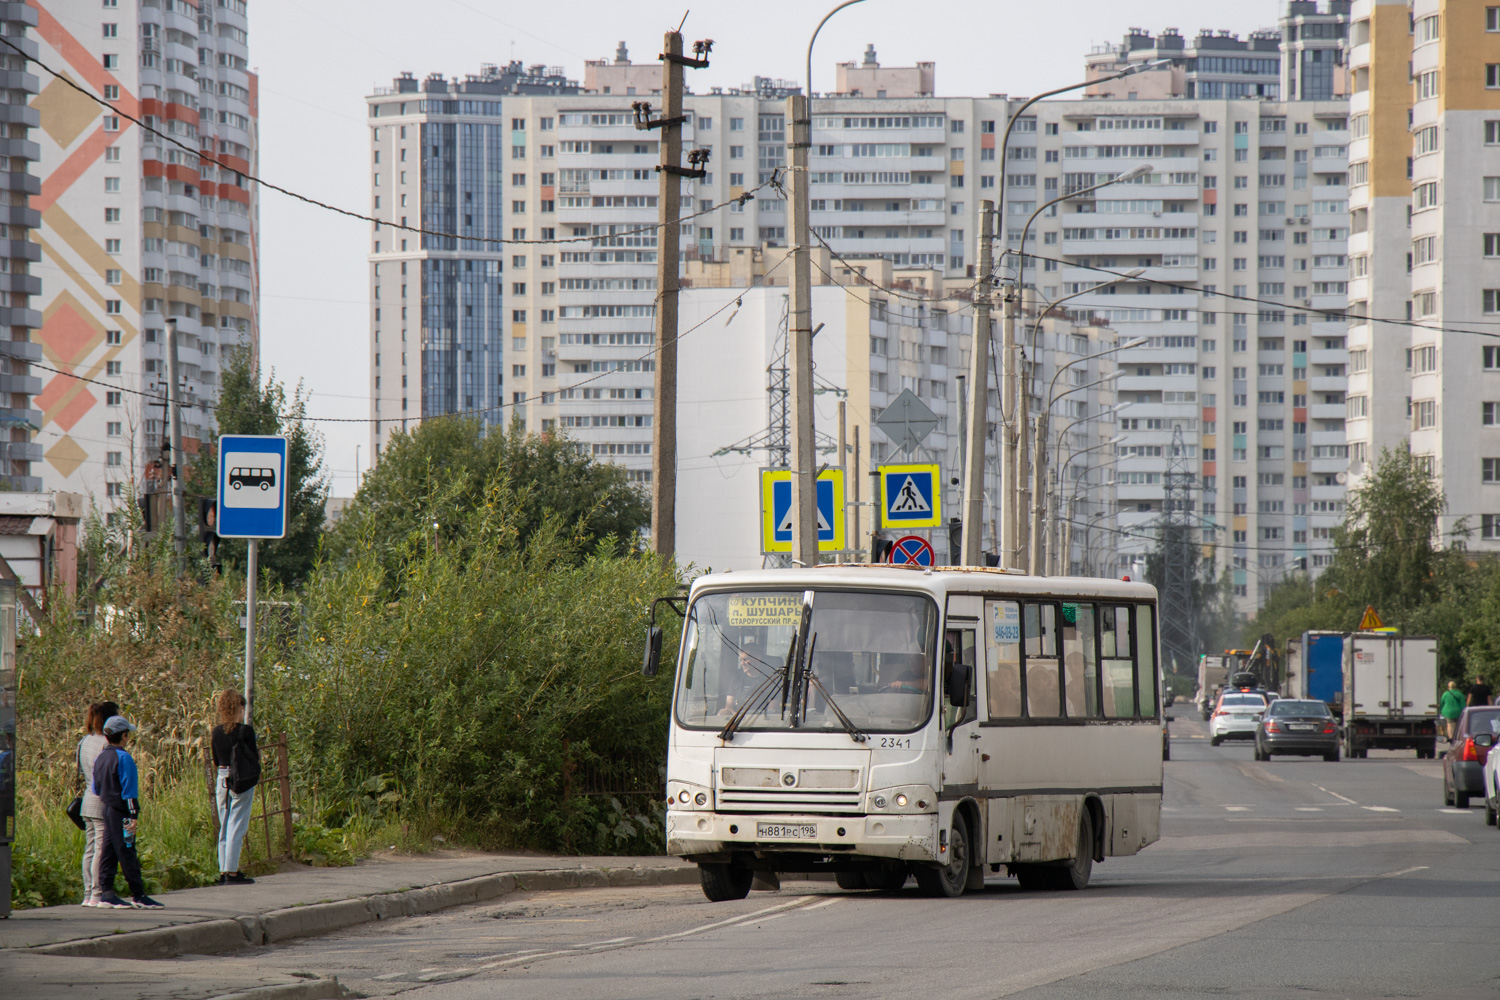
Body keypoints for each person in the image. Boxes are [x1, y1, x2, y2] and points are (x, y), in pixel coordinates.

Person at [92, 715, 162, 909]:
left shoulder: (101, 757)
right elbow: (129, 790)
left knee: (109, 851)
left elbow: (96, 788)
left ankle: (106, 892)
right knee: (128, 850)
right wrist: (133, 816)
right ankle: (138, 894)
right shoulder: (124, 758)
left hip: (106, 809)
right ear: (124, 735)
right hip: (122, 813)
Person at [211, 689, 258, 885]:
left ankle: (223, 871)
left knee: (225, 824)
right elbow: (254, 757)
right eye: (242, 707)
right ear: (238, 707)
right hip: (242, 779)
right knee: (236, 825)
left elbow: (215, 759)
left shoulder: (216, 731)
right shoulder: (245, 731)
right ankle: (232, 871)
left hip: (222, 777)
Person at [77, 700, 118, 907]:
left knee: (90, 848)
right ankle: (97, 892)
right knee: (101, 849)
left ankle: (87, 894)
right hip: (101, 800)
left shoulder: (84, 741)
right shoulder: (105, 743)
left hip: (86, 800)